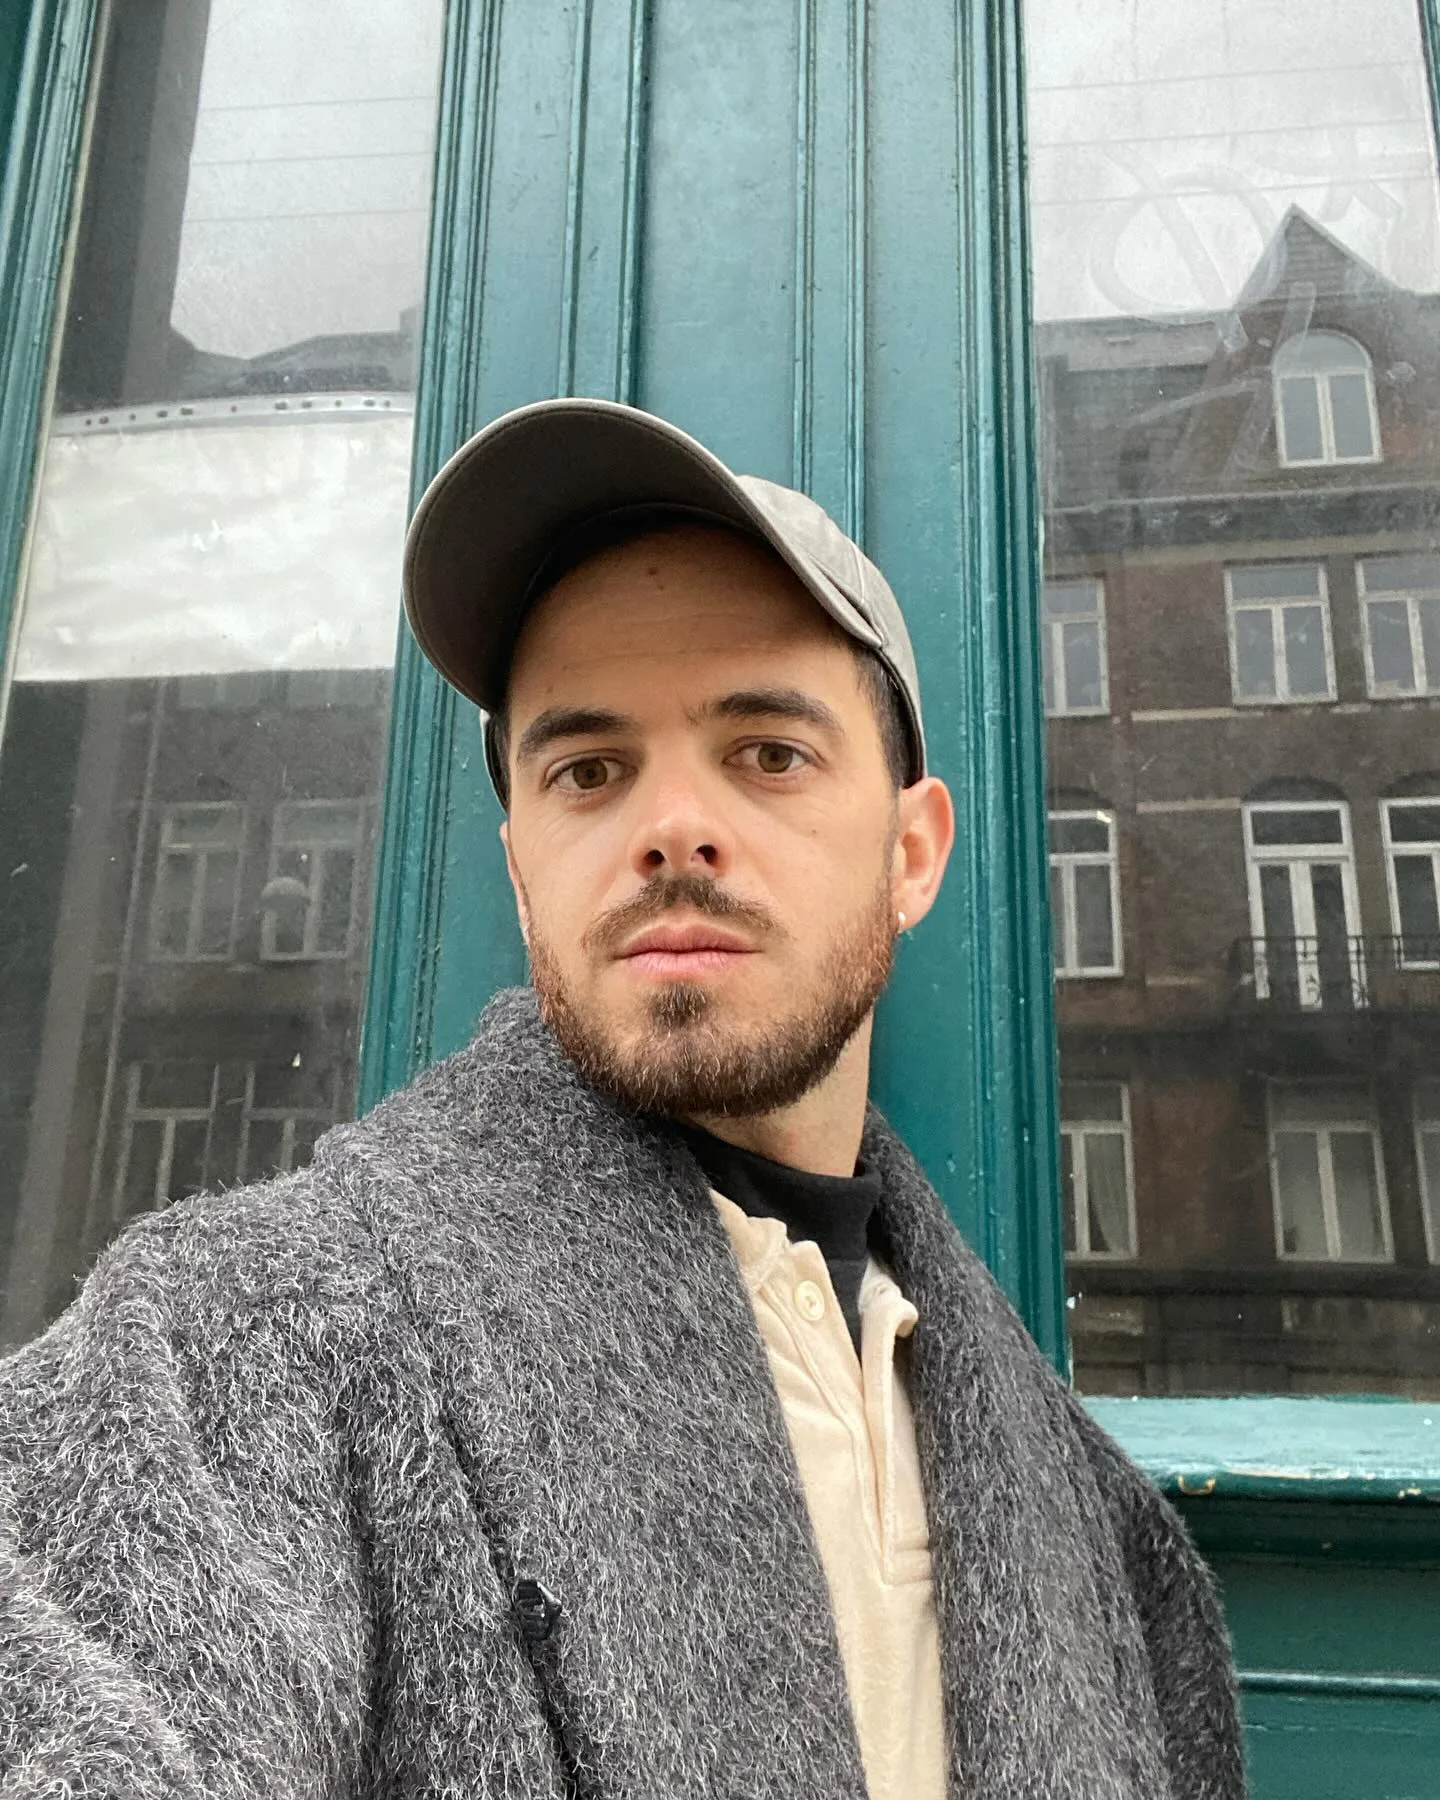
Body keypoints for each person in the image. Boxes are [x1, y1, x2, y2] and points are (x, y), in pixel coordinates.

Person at [0, 399, 1245, 1799]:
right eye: (590, 771)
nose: (672, 828)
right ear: (524, 870)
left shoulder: (1087, 1513)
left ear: (911, 854)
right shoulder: (240, 1342)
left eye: (768, 752)